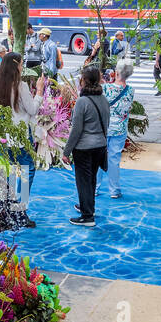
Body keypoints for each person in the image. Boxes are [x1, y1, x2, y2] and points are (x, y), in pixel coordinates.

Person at [0, 52, 48, 228]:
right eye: (22, 64)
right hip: (21, 136)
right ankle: (19, 212)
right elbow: (33, 109)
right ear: (16, 66)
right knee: (27, 171)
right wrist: (39, 91)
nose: (23, 67)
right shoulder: (20, 86)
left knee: (9, 173)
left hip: (4, 137)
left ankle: (7, 210)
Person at [64, 64, 110, 227]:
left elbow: (76, 130)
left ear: (84, 81)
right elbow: (107, 123)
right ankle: (88, 206)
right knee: (91, 179)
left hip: (83, 147)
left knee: (83, 180)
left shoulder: (82, 102)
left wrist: (66, 151)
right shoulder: (104, 99)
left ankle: (87, 215)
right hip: (100, 146)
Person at [102, 61, 136, 199]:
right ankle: (114, 190)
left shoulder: (105, 88)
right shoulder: (130, 90)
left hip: (105, 127)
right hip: (120, 128)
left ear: (116, 72)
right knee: (114, 159)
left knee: (99, 157)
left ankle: (95, 188)